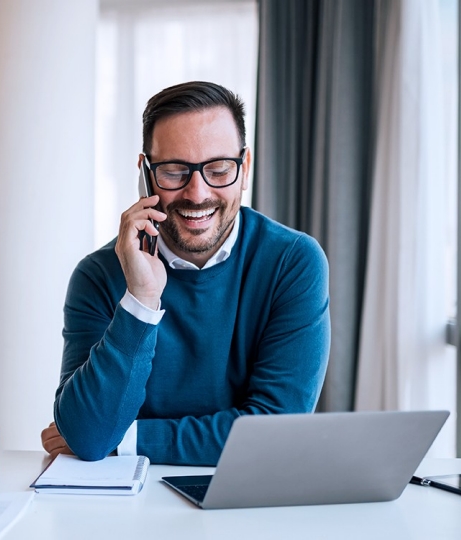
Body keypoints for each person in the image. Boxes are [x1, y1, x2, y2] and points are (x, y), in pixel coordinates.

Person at [41, 81, 330, 466]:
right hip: (126, 515)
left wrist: (127, 438)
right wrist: (140, 300)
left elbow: (275, 434)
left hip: (244, 506)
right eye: (175, 171)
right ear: (145, 173)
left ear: (244, 169)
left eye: (219, 169)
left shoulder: (293, 263)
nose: (197, 193)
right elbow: (90, 436)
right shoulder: (98, 275)